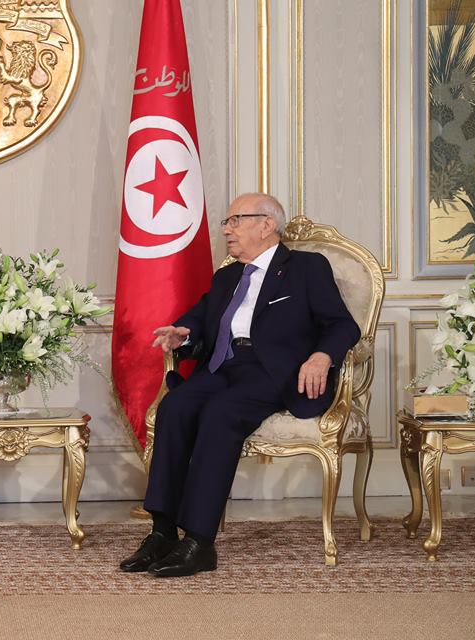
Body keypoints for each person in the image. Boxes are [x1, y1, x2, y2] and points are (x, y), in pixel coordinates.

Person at [119, 193, 360, 578]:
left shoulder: (305, 268)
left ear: (267, 225)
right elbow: (199, 319)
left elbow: (342, 324)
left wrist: (321, 356)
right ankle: (162, 532)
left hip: (271, 372)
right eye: (226, 222)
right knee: (174, 407)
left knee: (221, 413)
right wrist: (183, 333)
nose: (227, 230)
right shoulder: (227, 276)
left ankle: (199, 542)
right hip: (220, 368)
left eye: (236, 220)